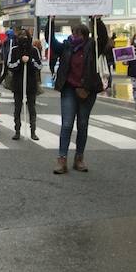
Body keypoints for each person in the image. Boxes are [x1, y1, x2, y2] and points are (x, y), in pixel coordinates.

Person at [48, 18, 110, 175]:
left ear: (86, 35)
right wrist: (50, 21)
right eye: (74, 33)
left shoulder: (93, 46)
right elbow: (51, 41)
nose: (75, 36)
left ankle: (79, 158)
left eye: (79, 34)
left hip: (88, 89)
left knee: (82, 124)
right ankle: (62, 159)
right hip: (69, 88)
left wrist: (97, 20)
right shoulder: (66, 46)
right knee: (67, 124)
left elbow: (103, 38)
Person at [7, 28, 42, 140]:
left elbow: (39, 66)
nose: (24, 39)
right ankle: (17, 130)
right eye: (21, 36)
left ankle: (33, 131)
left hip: (31, 82)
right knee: (17, 108)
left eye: (25, 36)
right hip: (18, 82)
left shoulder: (34, 50)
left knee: (32, 107)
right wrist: (19, 61)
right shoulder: (14, 50)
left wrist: (30, 61)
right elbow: (10, 65)